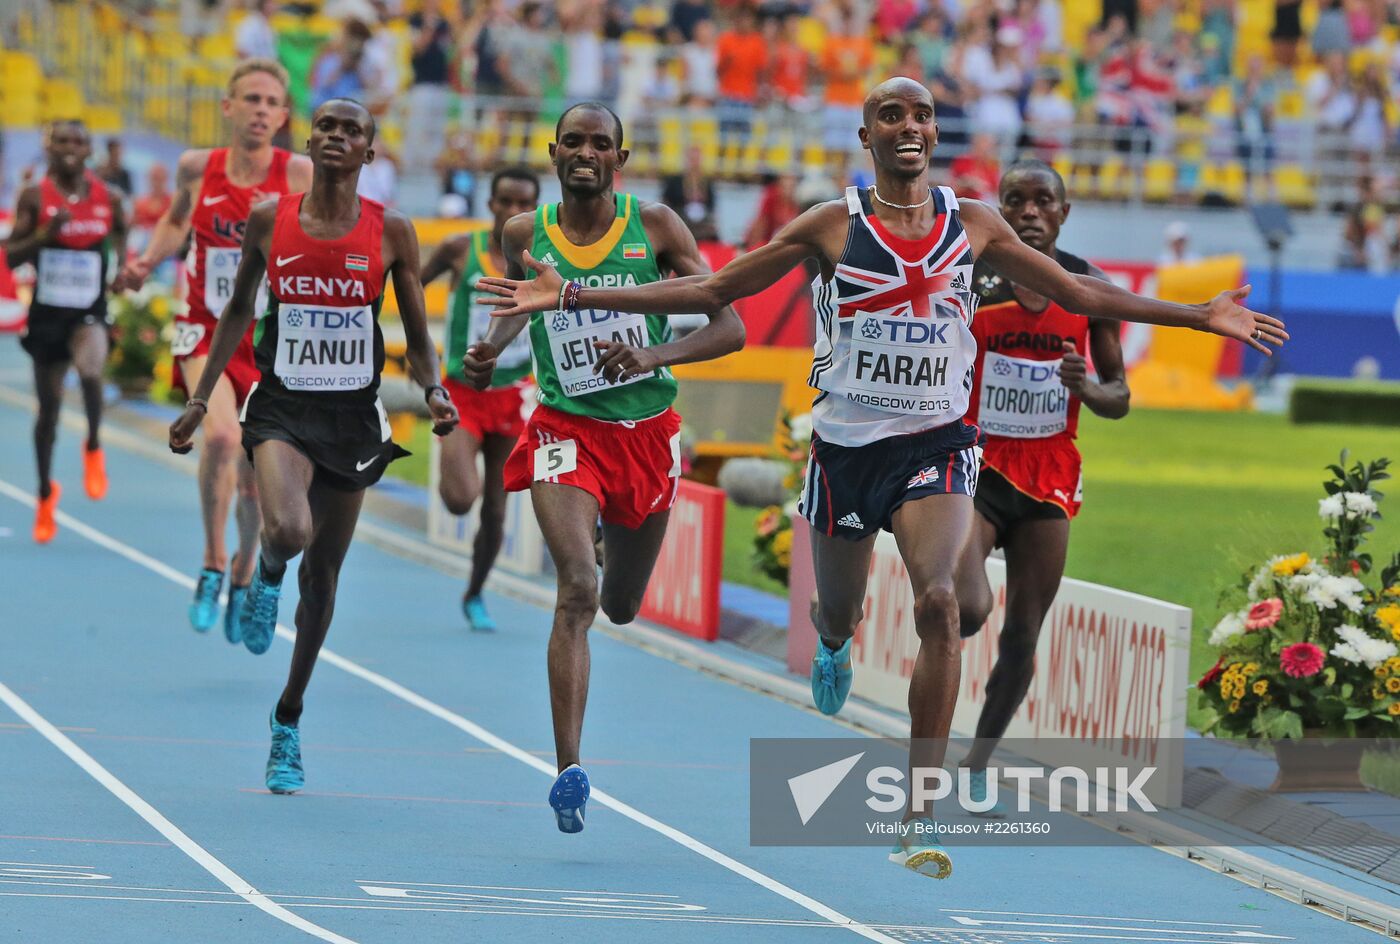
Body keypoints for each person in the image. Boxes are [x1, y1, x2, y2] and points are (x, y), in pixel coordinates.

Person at [479, 77, 1288, 876]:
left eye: (923, 116)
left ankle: (917, 811)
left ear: (937, 135)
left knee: (939, 603)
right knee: (840, 611)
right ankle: (834, 640)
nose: (909, 126)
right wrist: (574, 293)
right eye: (890, 116)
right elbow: (719, 290)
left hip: (935, 442)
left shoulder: (974, 225)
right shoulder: (833, 223)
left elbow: (1078, 289)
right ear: (866, 139)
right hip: (844, 449)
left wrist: (1199, 315)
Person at [462, 102, 744, 834]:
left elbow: (729, 324)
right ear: (554, 154)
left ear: (620, 158)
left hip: (647, 436)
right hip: (565, 428)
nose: (587, 152)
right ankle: (568, 770)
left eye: (602, 144)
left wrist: (652, 353)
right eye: (575, 142)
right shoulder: (525, 232)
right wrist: (494, 344)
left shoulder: (655, 227)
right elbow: (524, 300)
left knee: (621, 603)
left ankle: (602, 539)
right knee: (578, 591)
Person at [168, 97, 458, 794]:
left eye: (350, 130)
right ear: (312, 139)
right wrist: (202, 397)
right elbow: (238, 307)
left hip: (353, 418)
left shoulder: (393, 233)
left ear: (370, 150)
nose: (336, 137)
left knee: (324, 580)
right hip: (284, 408)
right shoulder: (272, 220)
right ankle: (265, 570)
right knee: (290, 530)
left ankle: (288, 718)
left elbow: (417, 333)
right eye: (326, 126)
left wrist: (435, 389)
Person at [116, 60, 312, 642]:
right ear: (227, 107)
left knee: (256, 478)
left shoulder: (297, 173)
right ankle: (209, 561)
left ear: (281, 116)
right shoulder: (197, 168)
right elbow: (177, 223)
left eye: (269, 101)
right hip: (204, 326)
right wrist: (148, 261)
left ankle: (246, 570)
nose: (258, 109)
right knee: (223, 436)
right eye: (248, 98)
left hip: (270, 339)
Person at [955, 161, 1129, 815]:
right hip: (978, 465)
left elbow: (1119, 398)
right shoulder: (975, 277)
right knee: (964, 607)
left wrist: (1089, 388)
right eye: (1015, 201)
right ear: (999, 212)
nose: (1029, 211)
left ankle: (976, 762)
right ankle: (939, 681)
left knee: (1023, 632)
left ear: (1064, 211)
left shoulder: (1089, 288)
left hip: (1050, 476)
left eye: (1042, 201)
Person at [420, 166, 540, 631]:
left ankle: (474, 592)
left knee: (495, 511)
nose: (512, 211)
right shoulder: (459, 249)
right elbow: (413, 285)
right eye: (504, 202)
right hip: (463, 395)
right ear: (489, 203)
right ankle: (453, 463)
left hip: (512, 396)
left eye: (522, 204)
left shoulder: (543, 261)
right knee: (460, 499)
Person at [6, 118, 127, 543]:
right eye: (61, 140)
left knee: (92, 370)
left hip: (87, 311)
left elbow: (122, 234)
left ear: (89, 147)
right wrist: (43, 235)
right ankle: (44, 495)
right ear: (49, 146)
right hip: (46, 316)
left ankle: (93, 445)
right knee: (49, 414)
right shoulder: (35, 196)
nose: (70, 147)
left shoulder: (108, 197)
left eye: (78, 140)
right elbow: (9, 257)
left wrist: (122, 268)